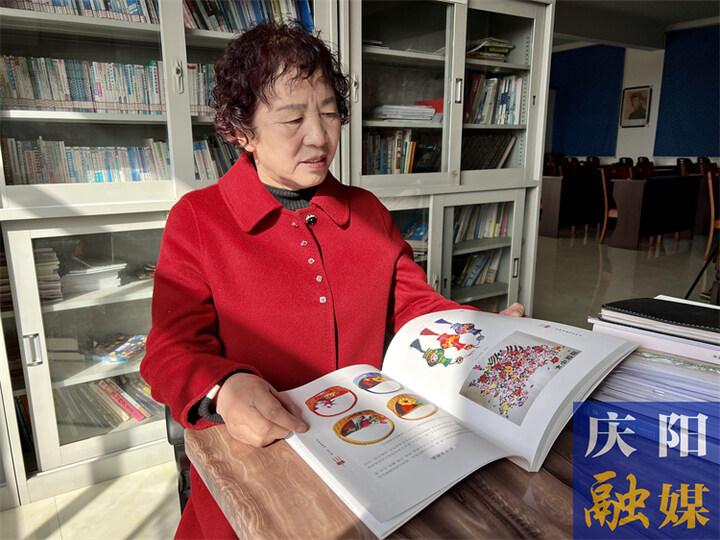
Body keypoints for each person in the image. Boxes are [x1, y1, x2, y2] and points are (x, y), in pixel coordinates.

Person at [140, 22, 524, 539]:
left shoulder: (365, 210)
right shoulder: (199, 219)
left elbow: (415, 306)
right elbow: (170, 350)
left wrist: (482, 330)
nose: (319, 137)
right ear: (241, 131)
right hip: (264, 461)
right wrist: (224, 389)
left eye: (328, 113)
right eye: (292, 118)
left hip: (372, 446)